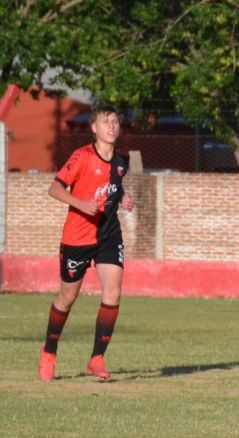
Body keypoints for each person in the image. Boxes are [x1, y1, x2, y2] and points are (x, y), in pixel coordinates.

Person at [38, 104, 134, 382]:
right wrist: (80, 203)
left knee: (113, 292)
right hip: (78, 236)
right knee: (67, 297)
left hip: (108, 233)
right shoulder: (81, 157)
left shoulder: (122, 159)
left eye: (115, 121)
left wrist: (124, 199)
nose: (112, 126)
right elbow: (54, 187)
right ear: (94, 128)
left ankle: (97, 358)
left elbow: (115, 187)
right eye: (105, 122)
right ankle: (49, 350)